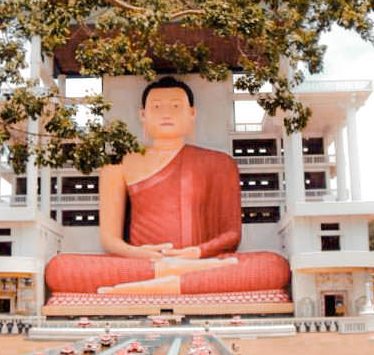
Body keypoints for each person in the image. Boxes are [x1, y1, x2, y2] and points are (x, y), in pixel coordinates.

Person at [45, 76, 290, 295]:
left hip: (200, 261)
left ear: (192, 113)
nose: (166, 113)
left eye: (175, 106)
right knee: (60, 268)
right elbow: (110, 240)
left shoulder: (219, 162)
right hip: (144, 262)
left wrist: (196, 253)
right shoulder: (118, 164)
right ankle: (176, 279)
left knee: (273, 266)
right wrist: (141, 254)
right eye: (157, 107)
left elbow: (232, 236)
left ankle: (150, 285)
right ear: (143, 114)